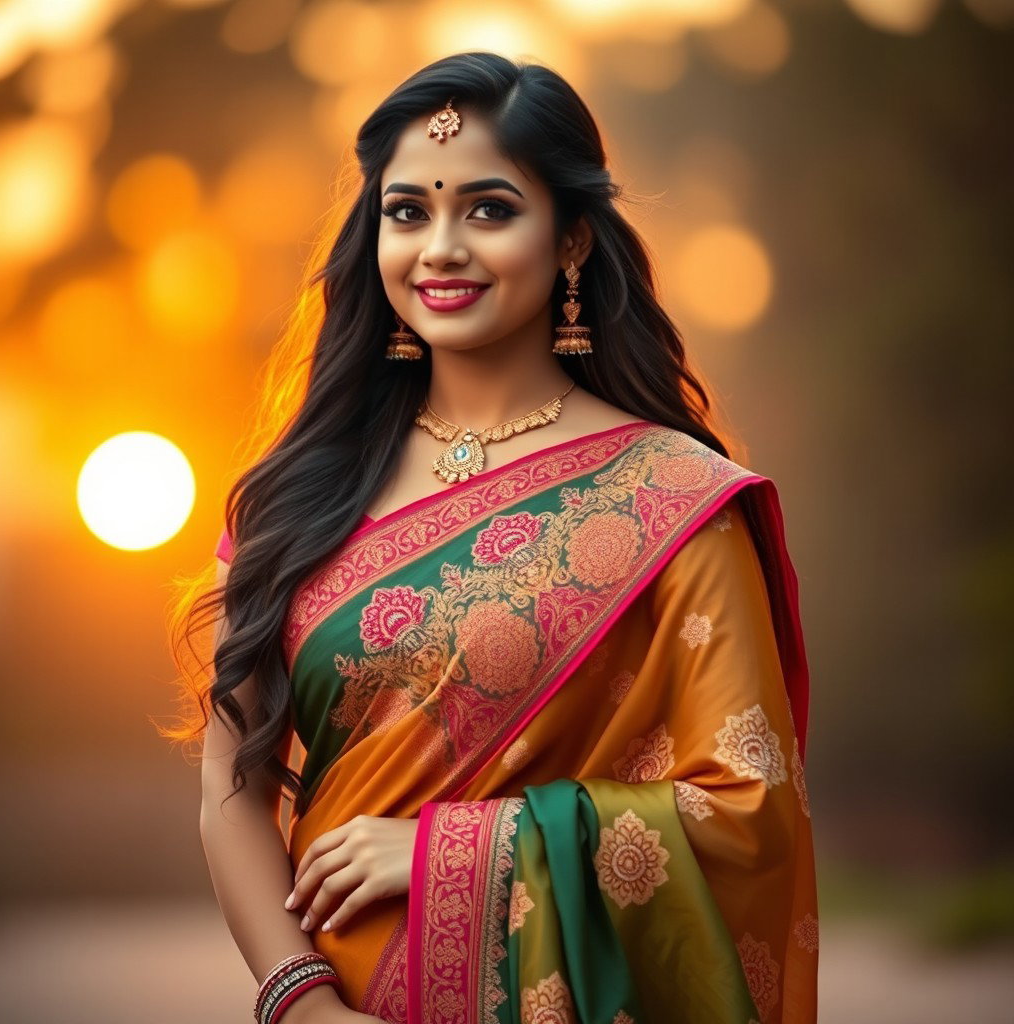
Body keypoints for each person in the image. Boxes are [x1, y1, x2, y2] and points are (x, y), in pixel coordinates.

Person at [171, 52, 817, 1024]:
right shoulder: (296, 495)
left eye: (487, 209)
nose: (439, 248)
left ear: (570, 240)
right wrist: (299, 1001)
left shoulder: (676, 502)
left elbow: (745, 809)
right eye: (406, 212)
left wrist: (457, 849)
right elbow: (233, 774)